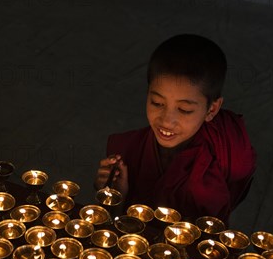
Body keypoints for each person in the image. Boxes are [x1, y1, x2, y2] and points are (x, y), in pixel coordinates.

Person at [94, 34, 256, 223]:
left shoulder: (224, 156)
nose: (167, 121)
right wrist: (114, 197)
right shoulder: (130, 151)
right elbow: (118, 225)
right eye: (157, 103)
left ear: (211, 109)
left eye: (184, 110)